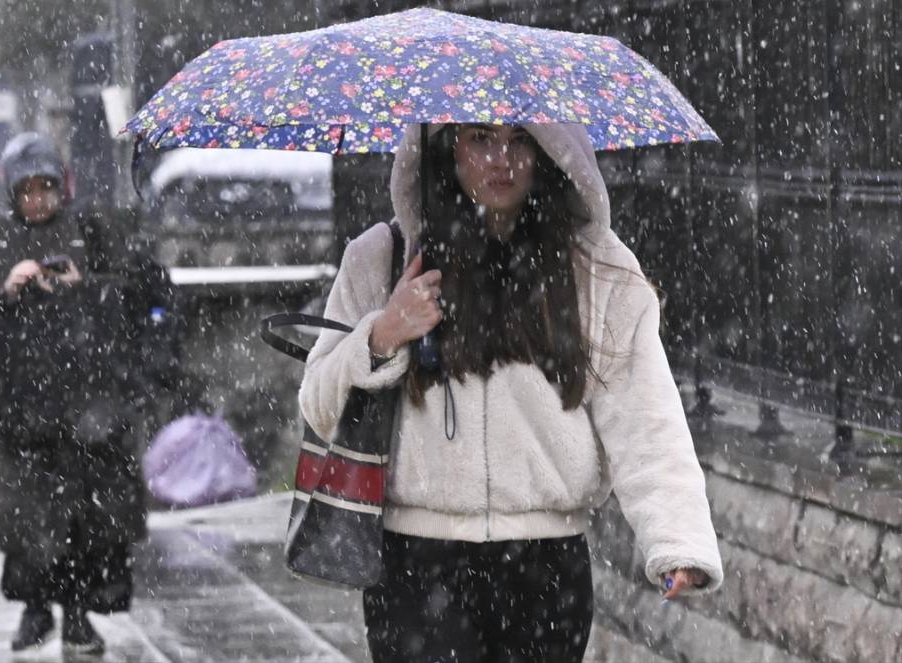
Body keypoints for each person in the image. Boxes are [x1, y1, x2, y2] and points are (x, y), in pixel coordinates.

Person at [299, 123, 724, 662]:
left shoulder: (594, 269)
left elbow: (645, 413)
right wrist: (383, 333)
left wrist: (676, 540)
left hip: (545, 570)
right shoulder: (382, 258)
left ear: (548, 150)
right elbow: (318, 405)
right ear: (444, 147)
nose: (502, 159)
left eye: (519, 140)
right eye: (479, 139)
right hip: (416, 567)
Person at [0, 133, 149, 656]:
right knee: (26, 519)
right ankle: (35, 607)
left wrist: (86, 285)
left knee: (90, 521)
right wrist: (7, 290)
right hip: (22, 412)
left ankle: (80, 615)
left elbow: (135, 296)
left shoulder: (90, 227)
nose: (37, 199)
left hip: (89, 410)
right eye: (27, 190)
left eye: (46, 188)